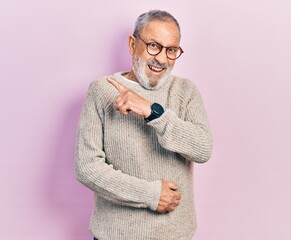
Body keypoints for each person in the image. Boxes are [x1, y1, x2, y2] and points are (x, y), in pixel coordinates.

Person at [75, 9, 213, 240]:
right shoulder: (102, 90)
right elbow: (87, 167)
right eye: (153, 45)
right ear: (132, 44)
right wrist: (150, 194)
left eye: (171, 50)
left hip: (175, 235)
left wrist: (152, 111)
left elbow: (202, 149)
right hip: (115, 235)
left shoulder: (186, 91)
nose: (161, 58)